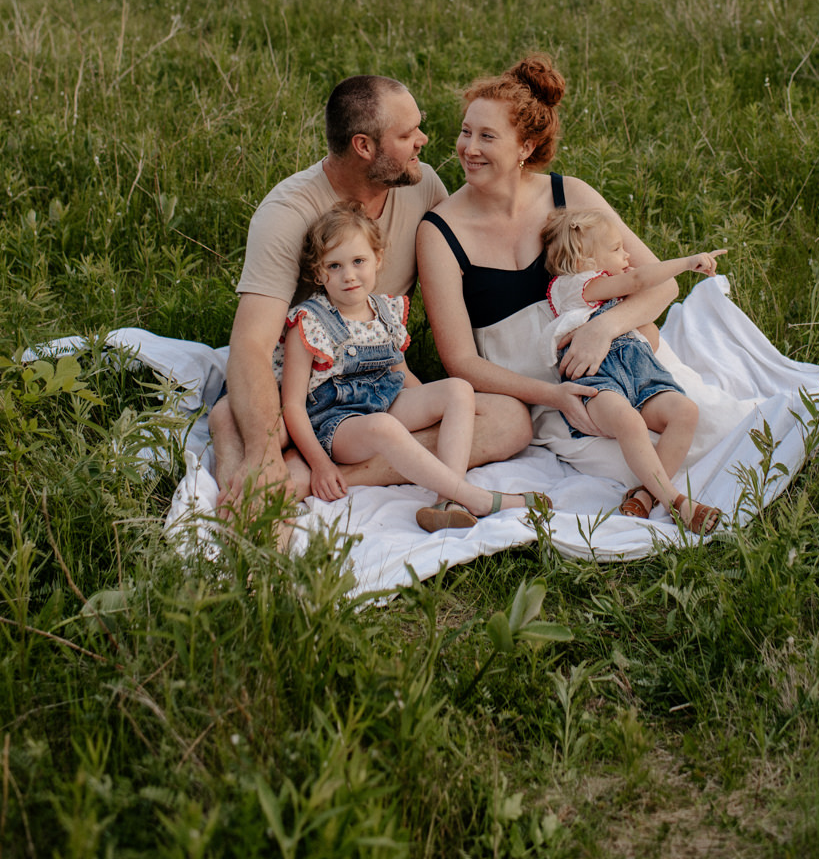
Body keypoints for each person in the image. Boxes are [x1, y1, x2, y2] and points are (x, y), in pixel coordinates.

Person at [213, 74, 533, 511]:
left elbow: (479, 246)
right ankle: (264, 469)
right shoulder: (287, 212)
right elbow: (251, 343)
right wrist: (265, 452)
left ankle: (322, 478)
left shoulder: (423, 187)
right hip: (312, 384)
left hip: (380, 381)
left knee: (510, 421)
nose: (423, 139)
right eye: (406, 134)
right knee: (243, 421)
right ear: (364, 147)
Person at [417, 53, 700, 488]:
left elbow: (663, 283)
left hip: (604, 362)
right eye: (465, 131)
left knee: (697, 436)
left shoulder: (568, 193)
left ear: (525, 148)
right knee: (619, 465)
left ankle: (654, 494)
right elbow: (460, 360)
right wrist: (553, 395)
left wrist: (602, 330)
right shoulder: (439, 231)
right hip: (531, 389)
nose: (469, 149)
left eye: (487, 136)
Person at [280, 202, 547, 530]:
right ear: (319, 272)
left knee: (458, 390)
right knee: (384, 427)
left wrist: (434, 409)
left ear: (377, 259)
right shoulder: (309, 321)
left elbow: (401, 375)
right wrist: (319, 464)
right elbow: (292, 405)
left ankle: (445, 500)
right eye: (334, 266)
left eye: (358, 261)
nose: (348, 275)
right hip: (338, 426)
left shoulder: (385, 311)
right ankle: (474, 497)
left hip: (385, 403)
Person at [539, 207, 723, 532]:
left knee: (685, 412)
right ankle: (675, 501)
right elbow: (639, 280)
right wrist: (685, 262)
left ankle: (645, 496)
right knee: (629, 422)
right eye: (616, 249)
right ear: (584, 260)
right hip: (598, 379)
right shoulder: (574, 286)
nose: (626, 255)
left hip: (639, 372)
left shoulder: (606, 286)